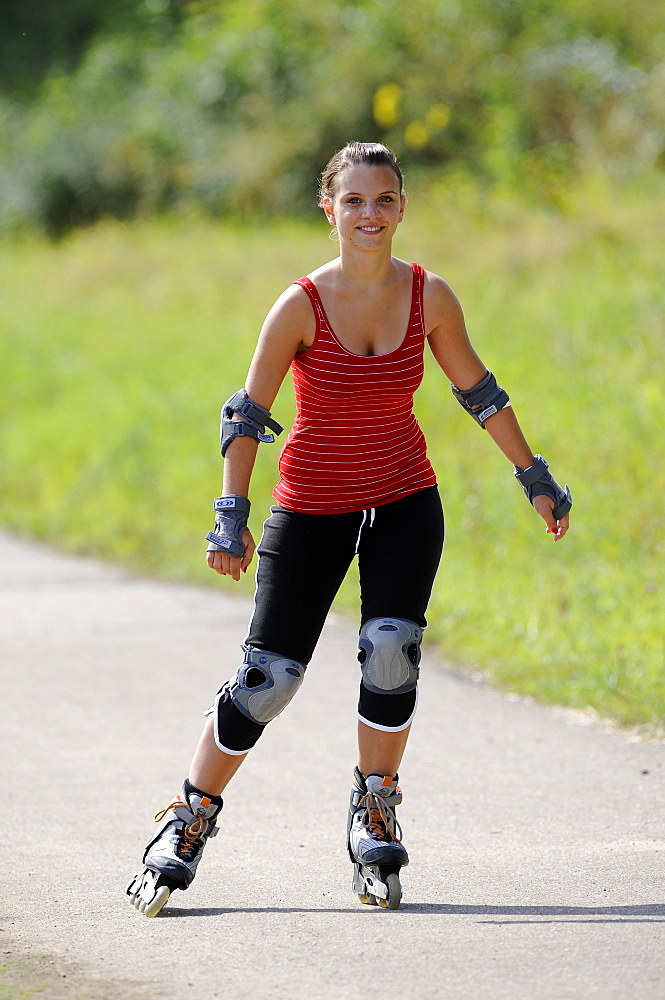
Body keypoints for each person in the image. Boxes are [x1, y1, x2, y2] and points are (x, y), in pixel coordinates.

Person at [126, 141, 571, 915]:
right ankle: (187, 819)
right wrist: (229, 518)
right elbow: (248, 414)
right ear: (328, 209)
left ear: (402, 207)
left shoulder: (429, 295)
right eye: (355, 201)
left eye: (386, 199)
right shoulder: (300, 303)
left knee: (391, 650)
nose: (371, 214)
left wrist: (531, 474)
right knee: (269, 680)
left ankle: (374, 809)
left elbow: (481, 392)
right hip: (311, 506)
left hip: (403, 498)